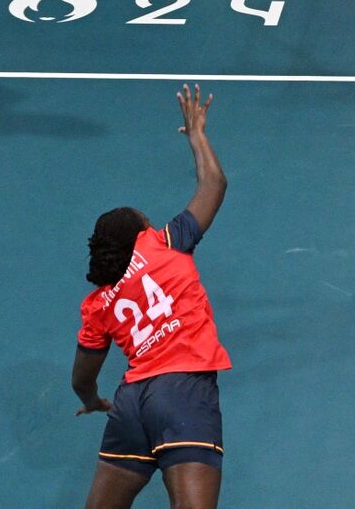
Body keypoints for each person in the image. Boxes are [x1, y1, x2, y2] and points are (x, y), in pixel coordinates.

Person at [72, 84, 230, 509]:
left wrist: (94, 402)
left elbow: (81, 379)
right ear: (140, 234)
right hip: (183, 393)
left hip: (131, 404)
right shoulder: (162, 243)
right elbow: (214, 183)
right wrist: (197, 133)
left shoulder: (98, 304)